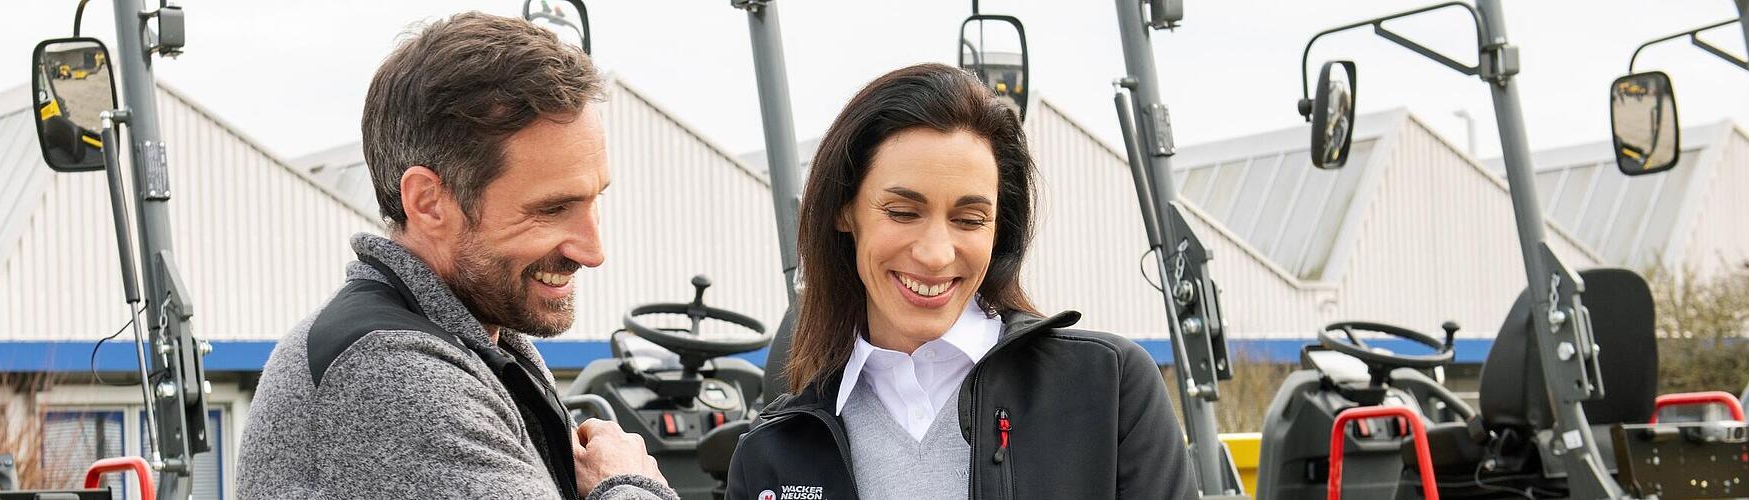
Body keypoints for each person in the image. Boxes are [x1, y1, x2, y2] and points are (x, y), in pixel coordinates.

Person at [237, 12, 675, 499]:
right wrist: (628, 483)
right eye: (552, 209)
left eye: (595, 201)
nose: (593, 251)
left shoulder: (471, 345)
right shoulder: (392, 376)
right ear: (428, 202)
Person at [725, 64, 1198, 499]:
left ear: (999, 229)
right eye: (903, 212)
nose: (935, 253)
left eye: (969, 219)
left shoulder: (1109, 389)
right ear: (844, 211)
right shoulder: (771, 452)